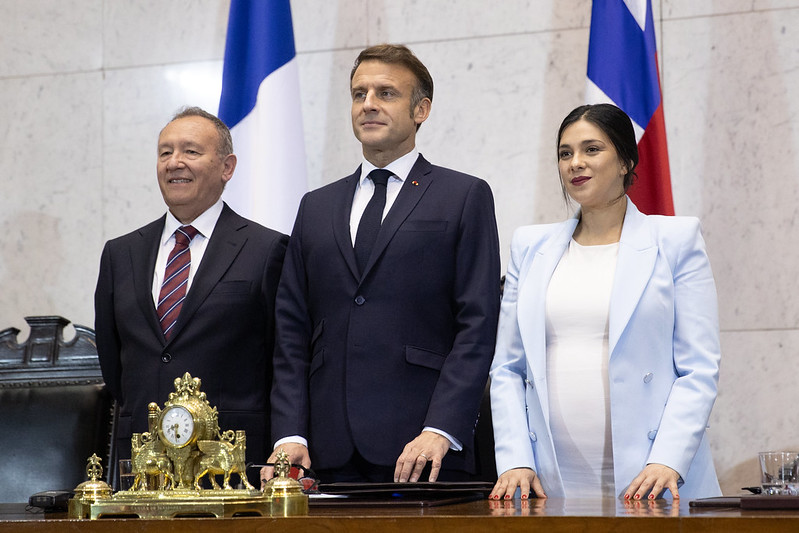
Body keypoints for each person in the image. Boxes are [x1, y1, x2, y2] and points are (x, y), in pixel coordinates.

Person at [266, 44, 501, 484]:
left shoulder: (463, 196)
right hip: (325, 453)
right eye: (359, 94)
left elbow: (478, 323)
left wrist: (442, 428)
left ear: (421, 110)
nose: (369, 104)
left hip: (424, 451)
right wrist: (289, 434)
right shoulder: (315, 206)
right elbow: (291, 331)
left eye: (386, 93)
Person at [489, 103, 721, 501]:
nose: (575, 163)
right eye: (565, 153)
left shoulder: (676, 241)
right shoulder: (529, 246)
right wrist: (515, 459)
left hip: (653, 476)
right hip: (546, 480)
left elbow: (699, 368)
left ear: (626, 161)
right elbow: (508, 367)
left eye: (592, 149)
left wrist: (667, 458)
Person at [95, 107, 288, 474]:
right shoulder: (120, 254)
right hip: (143, 465)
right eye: (165, 152)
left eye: (191, 152)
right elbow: (113, 361)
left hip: (231, 465)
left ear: (227, 167)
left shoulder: (268, 250)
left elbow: (285, 361)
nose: (174, 162)